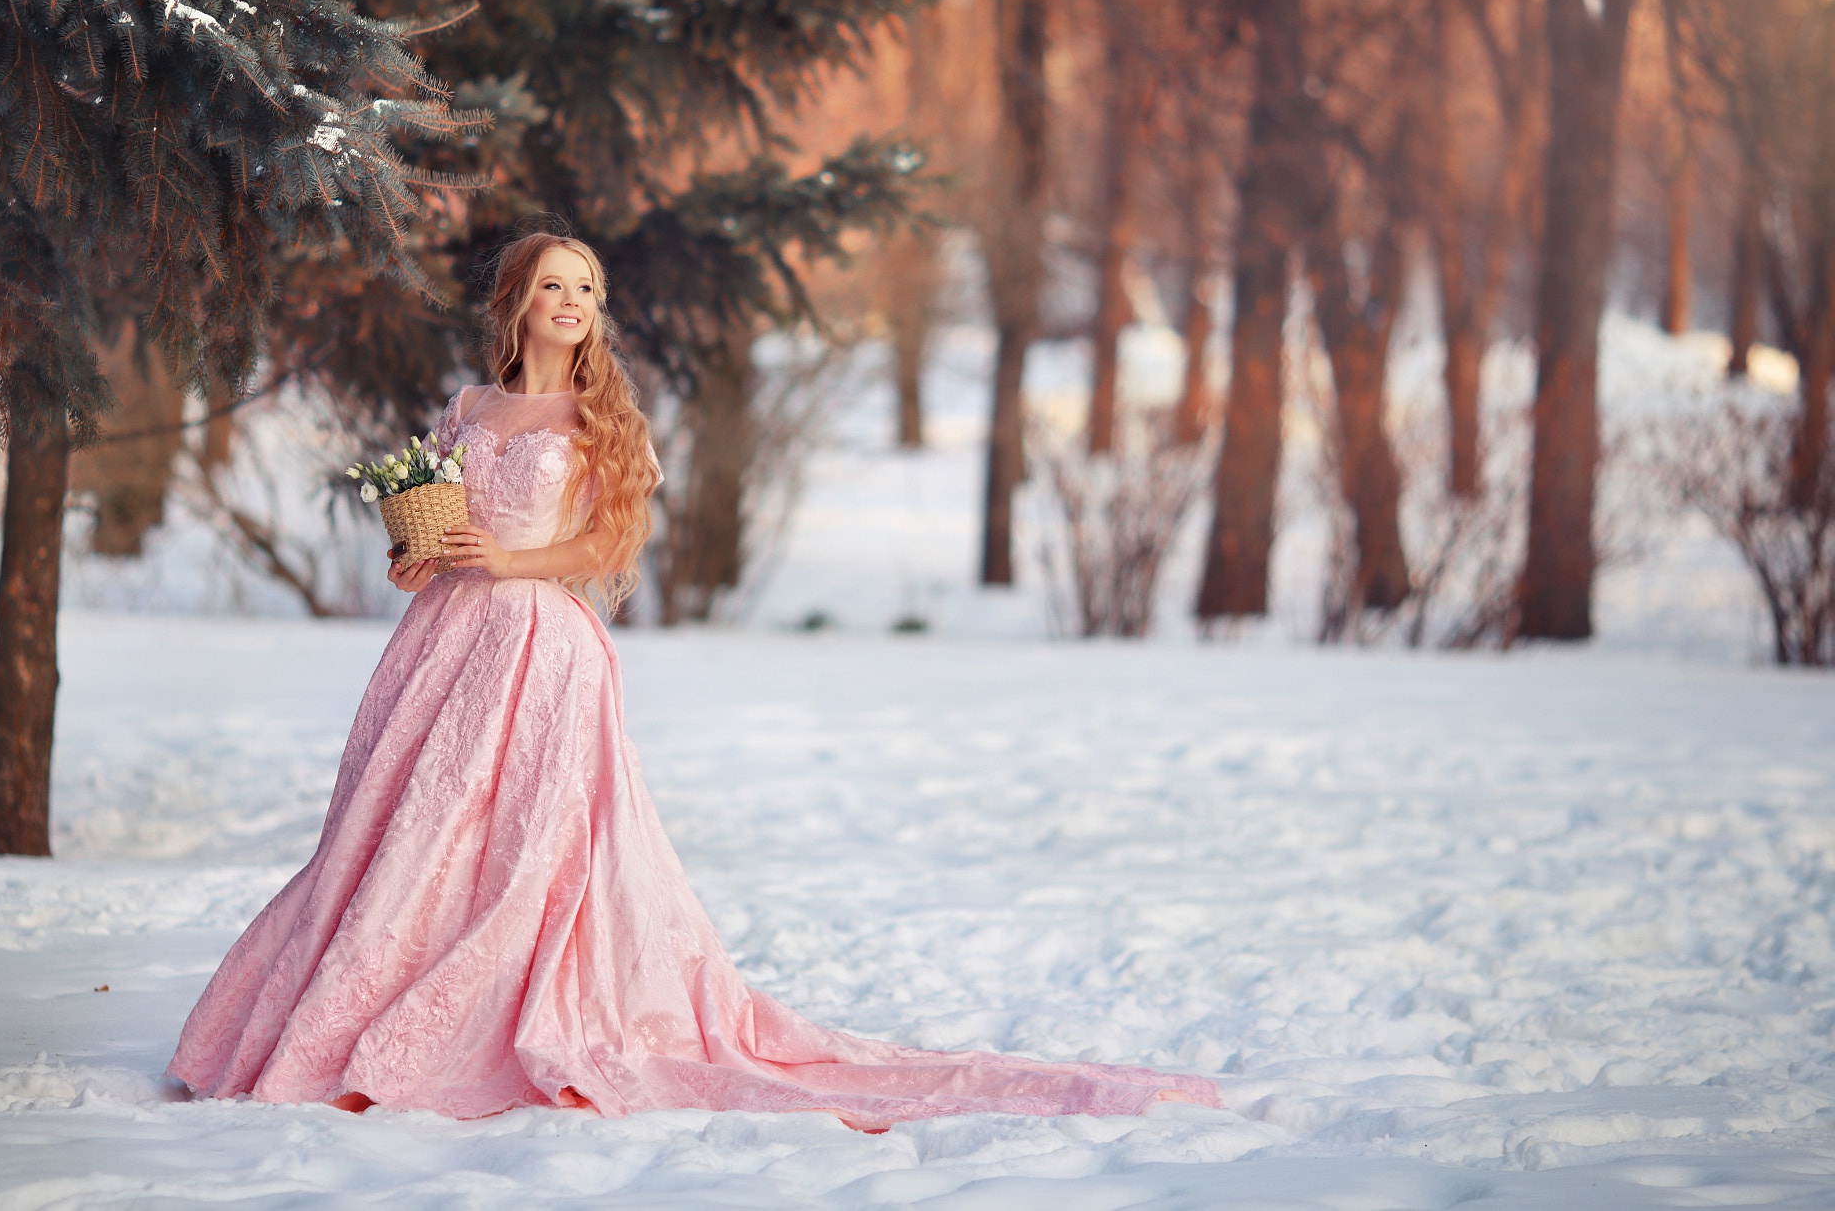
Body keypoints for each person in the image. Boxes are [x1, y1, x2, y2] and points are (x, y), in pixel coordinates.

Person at [166, 229, 1218, 1129]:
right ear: (517, 304)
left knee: (527, 843)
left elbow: (603, 547)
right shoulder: (467, 406)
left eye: (587, 290)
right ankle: (355, 1001)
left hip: (541, 648)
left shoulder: (599, 421)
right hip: (441, 644)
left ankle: (495, 1012)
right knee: (405, 835)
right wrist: (420, 554)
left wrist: (510, 565)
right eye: (554, 286)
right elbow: (424, 550)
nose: (573, 304)